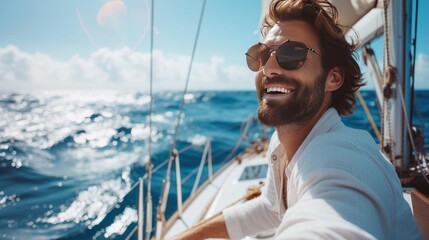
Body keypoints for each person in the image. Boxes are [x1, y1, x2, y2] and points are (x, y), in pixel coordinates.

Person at [172, 0, 421, 239]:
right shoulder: (282, 143)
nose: (268, 68)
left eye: (292, 53)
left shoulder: (343, 157)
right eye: (262, 55)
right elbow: (271, 208)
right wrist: (186, 236)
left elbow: (334, 223)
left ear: (332, 78)